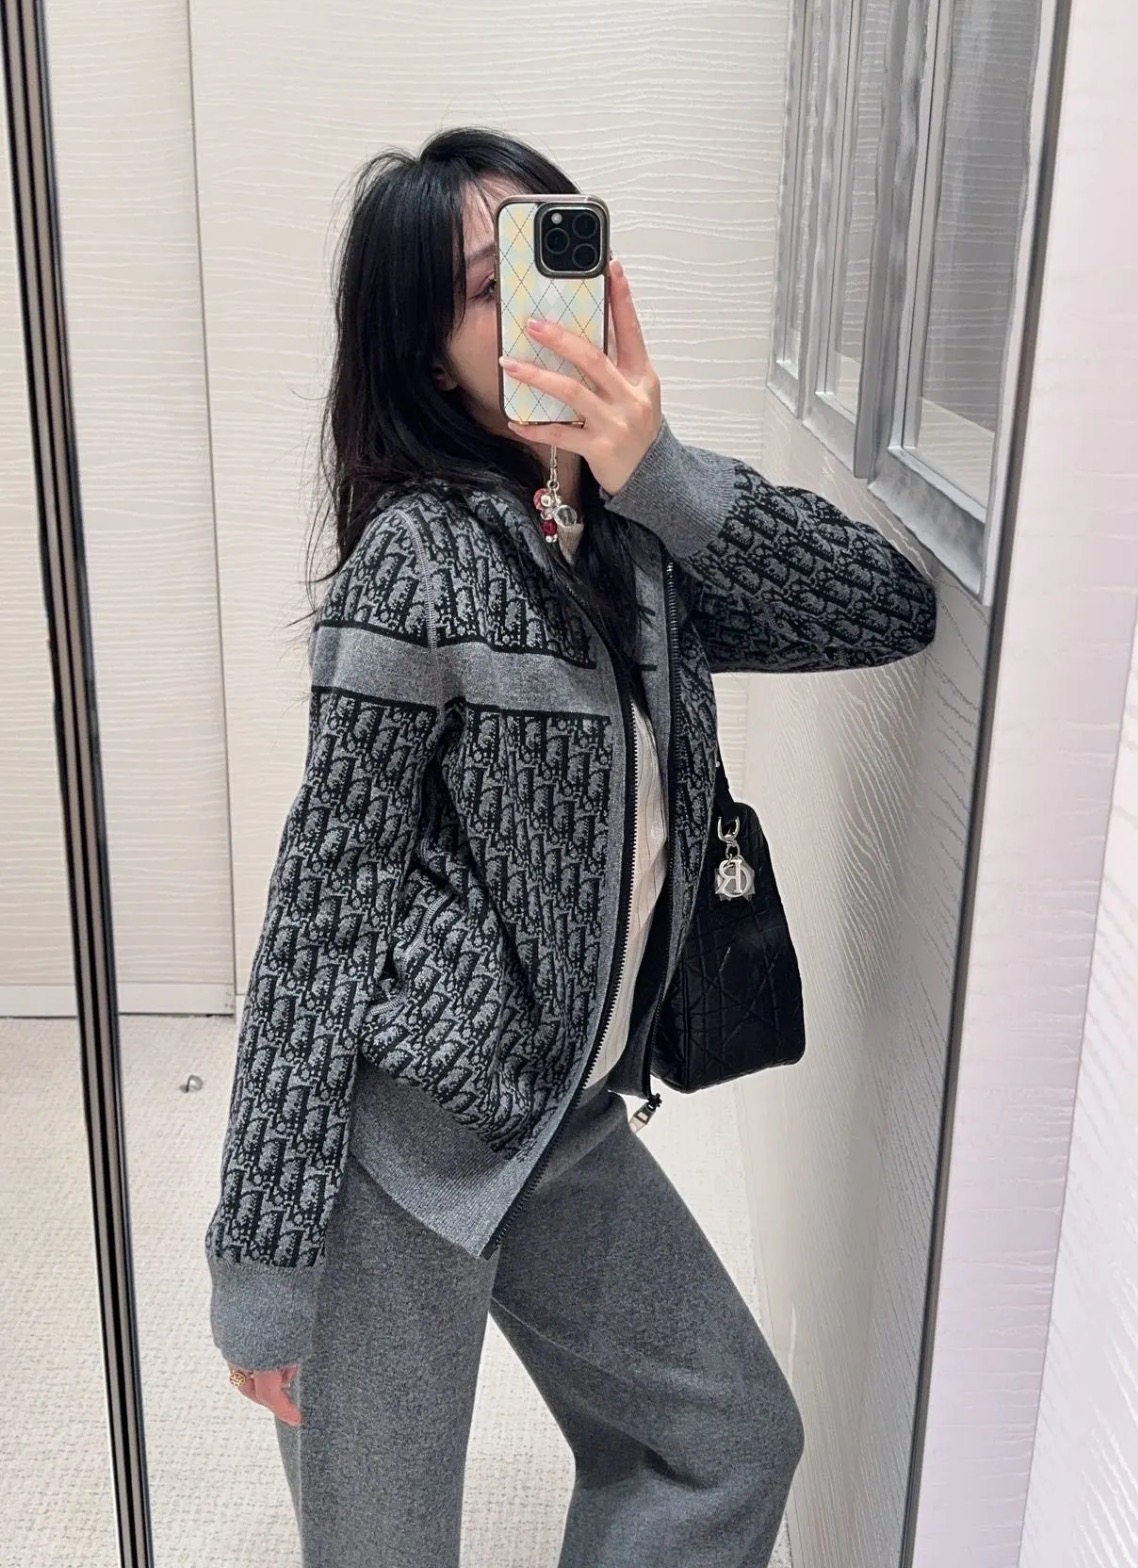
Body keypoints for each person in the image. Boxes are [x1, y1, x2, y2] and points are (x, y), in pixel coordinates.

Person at [204, 126, 937, 1567]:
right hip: (402, 1148)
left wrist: (656, 469)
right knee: (383, 1548)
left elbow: (886, 607)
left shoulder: (643, 539)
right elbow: (322, 912)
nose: (545, 301)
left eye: (561, 251)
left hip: (560, 1121)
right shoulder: (416, 562)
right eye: (494, 287)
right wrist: (261, 1255)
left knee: (726, 1445)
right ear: (432, 359)